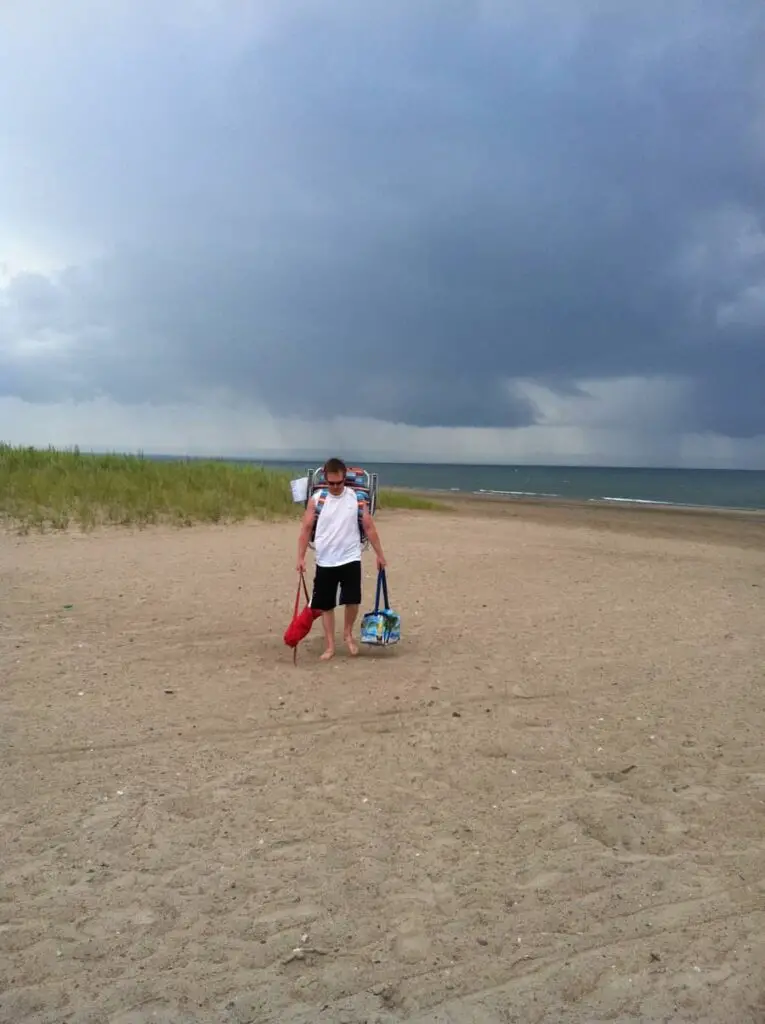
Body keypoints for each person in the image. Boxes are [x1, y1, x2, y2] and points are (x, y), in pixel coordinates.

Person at [296, 457, 387, 661]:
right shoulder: (318, 499)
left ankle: (347, 633)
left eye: (339, 482)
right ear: (326, 480)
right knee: (326, 604)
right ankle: (330, 645)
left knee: (352, 600)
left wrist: (380, 555)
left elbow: (369, 527)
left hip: (350, 556)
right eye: (331, 483)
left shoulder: (357, 497)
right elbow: (305, 529)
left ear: (344, 478)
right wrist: (300, 558)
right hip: (325, 559)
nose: (335, 487)